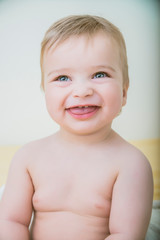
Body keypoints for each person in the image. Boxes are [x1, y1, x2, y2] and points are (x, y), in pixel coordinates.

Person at [0, 15, 153, 240]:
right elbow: (11, 221)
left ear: (123, 92)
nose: (82, 91)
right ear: (45, 91)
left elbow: (126, 234)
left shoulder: (131, 164)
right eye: (63, 78)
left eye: (100, 74)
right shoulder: (28, 158)